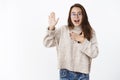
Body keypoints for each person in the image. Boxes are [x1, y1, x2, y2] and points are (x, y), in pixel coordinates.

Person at [43, 3, 99, 80]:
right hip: (65, 73)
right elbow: (47, 43)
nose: (76, 16)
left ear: (83, 16)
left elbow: (94, 53)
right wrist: (51, 28)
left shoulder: (90, 32)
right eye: (73, 14)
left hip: (83, 75)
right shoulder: (63, 30)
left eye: (79, 14)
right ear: (70, 16)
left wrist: (82, 40)